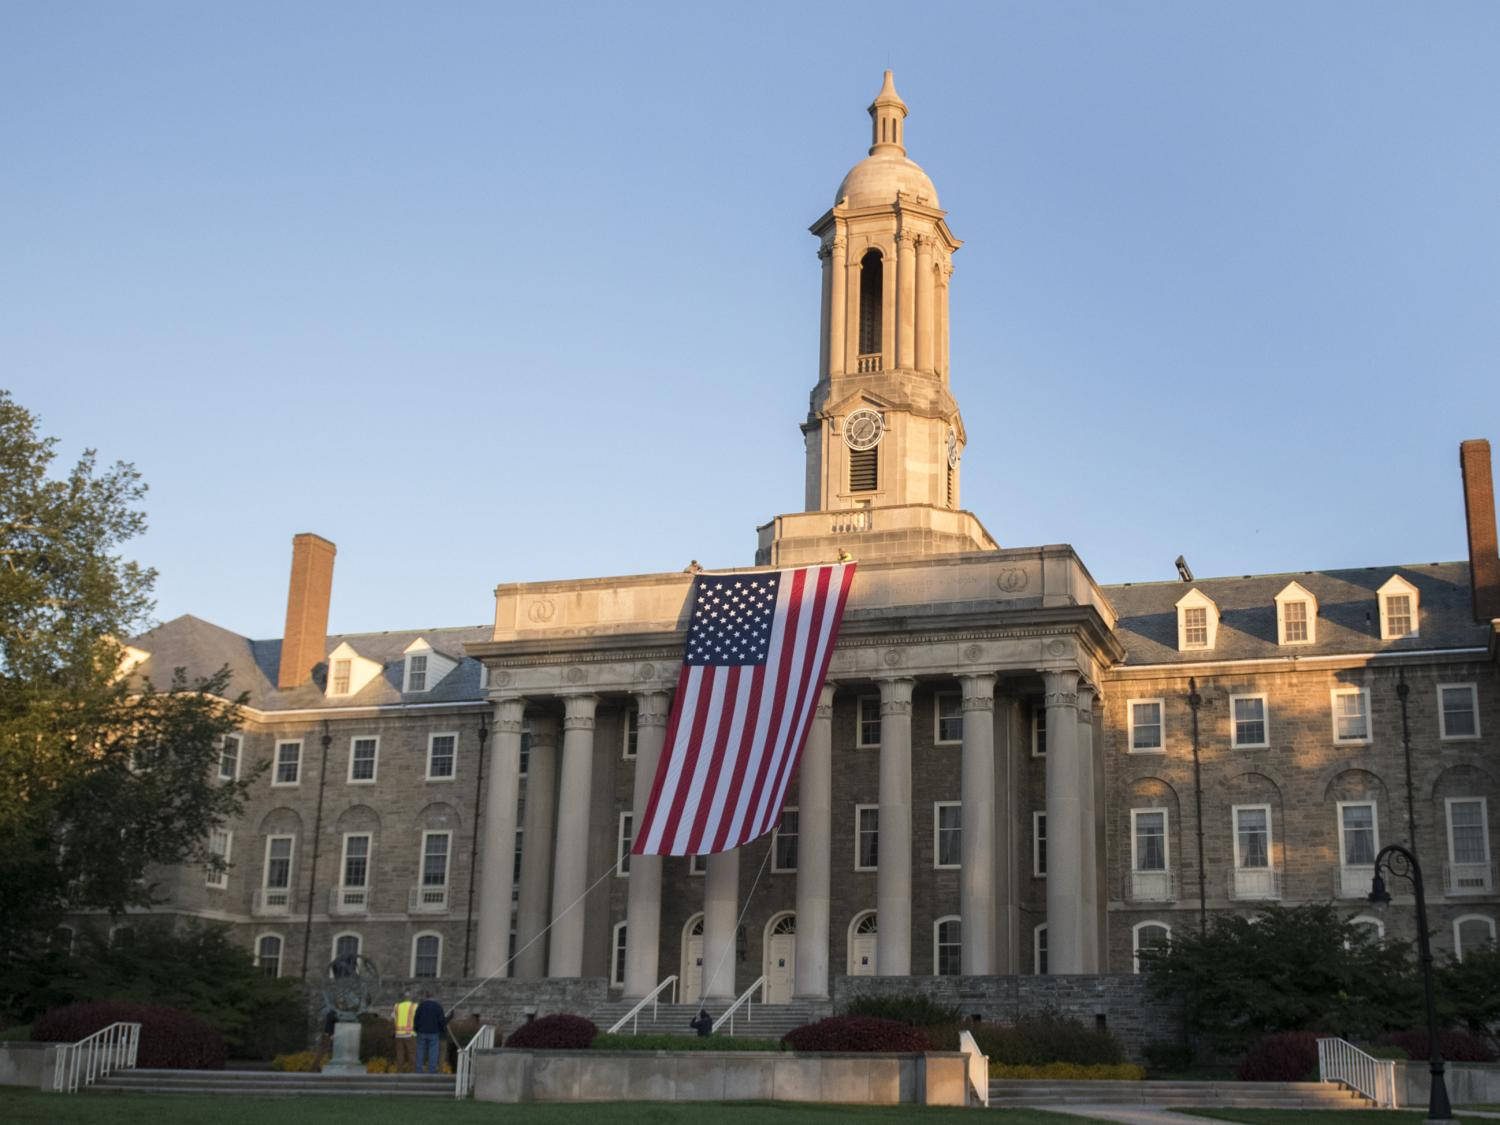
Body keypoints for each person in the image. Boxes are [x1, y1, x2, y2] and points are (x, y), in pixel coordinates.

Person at [413, 990, 448, 1074]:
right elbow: (441, 1021)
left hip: (421, 1031)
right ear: (434, 997)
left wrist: (416, 1029)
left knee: (420, 1051)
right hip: (434, 1032)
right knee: (433, 1052)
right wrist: (442, 1029)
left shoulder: (421, 1006)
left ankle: (419, 1069)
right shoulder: (438, 1006)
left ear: (426, 996)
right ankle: (432, 1070)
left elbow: (416, 1018)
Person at [392, 991, 417, 1072]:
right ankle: (412, 1071)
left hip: (398, 1034)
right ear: (411, 998)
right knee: (412, 1053)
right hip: (410, 1034)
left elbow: (393, 1018)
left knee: (400, 1054)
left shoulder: (397, 1006)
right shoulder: (414, 1006)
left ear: (403, 998)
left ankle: (399, 1071)